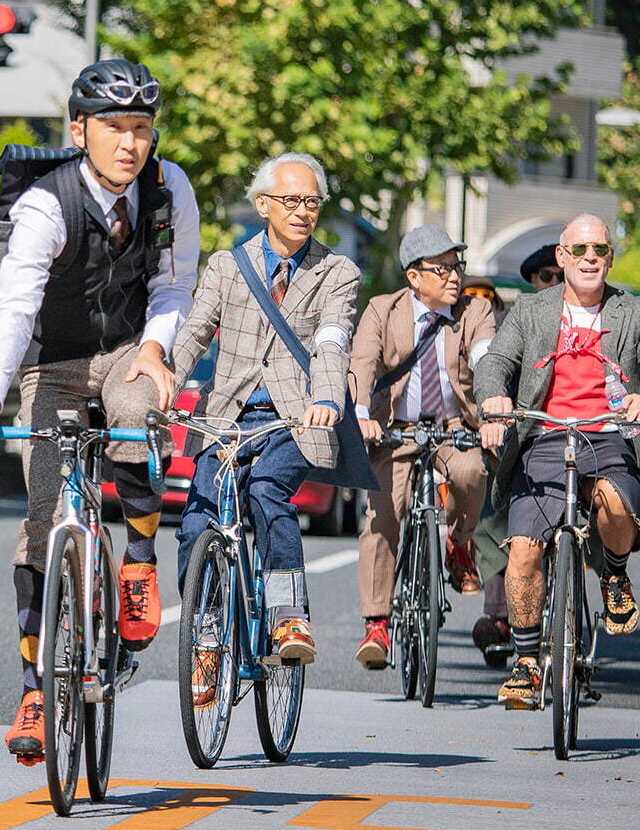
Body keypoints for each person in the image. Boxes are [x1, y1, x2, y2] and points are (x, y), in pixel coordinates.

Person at [0, 59, 200, 765]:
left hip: (128, 346)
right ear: (79, 130)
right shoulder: (44, 203)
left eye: (142, 129)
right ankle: (35, 684)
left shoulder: (168, 187)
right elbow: (14, 307)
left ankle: (140, 559)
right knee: (40, 517)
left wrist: (156, 349)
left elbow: (175, 282)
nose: (130, 143)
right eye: (114, 128)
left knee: (137, 407)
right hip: (49, 359)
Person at [170, 153, 361, 697]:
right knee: (196, 524)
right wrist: (159, 383)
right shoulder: (228, 267)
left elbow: (332, 339)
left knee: (267, 490)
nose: (303, 212)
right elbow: (193, 334)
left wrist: (326, 397)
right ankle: (206, 640)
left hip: (295, 416)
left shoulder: (336, 272)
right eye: (291, 200)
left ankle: (287, 616)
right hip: (225, 416)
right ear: (263, 205)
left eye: (312, 202)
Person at [476, 213, 640, 709]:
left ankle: (613, 571)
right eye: (582, 250)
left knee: (613, 501)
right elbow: (494, 363)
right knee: (522, 550)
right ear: (562, 258)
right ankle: (526, 662)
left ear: (610, 258)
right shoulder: (530, 311)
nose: (592, 258)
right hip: (544, 440)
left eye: (602, 251)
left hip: (611, 437)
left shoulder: (636, 311)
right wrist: (493, 400)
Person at [348, 225, 495, 669]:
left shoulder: (475, 311)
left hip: (456, 424)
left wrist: (491, 415)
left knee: (471, 472)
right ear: (414, 277)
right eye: (443, 268)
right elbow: (363, 360)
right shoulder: (382, 309)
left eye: (458, 267)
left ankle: (459, 544)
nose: (455, 277)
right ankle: (377, 624)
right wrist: (359, 411)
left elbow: (488, 361)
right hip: (395, 428)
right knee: (383, 510)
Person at [471, 243, 562, 666]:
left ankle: (583, 608)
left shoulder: (596, 320)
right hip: (519, 438)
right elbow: (495, 369)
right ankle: (502, 617)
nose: (555, 283)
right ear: (532, 282)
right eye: (546, 277)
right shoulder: (516, 322)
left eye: (560, 275)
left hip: (580, 440)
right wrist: (493, 415)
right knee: (492, 517)